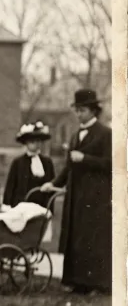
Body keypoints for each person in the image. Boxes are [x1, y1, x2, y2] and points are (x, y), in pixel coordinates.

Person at [41, 88, 112, 294]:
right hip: (76, 195)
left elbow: (112, 163)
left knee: (93, 238)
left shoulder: (105, 134)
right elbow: (68, 166)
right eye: (77, 110)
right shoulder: (74, 136)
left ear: (93, 111)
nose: (79, 114)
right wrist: (54, 183)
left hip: (96, 196)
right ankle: (77, 281)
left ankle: (96, 284)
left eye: (82, 110)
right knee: (77, 237)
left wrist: (86, 159)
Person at [3, 121, 55, 207]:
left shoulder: (47, 163)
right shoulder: (18, 162)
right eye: (32, 141)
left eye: (38, 141)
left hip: (41, 205)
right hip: (21, 205)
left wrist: (50, 207)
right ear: (26, 143)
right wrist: (7, 205)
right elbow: (10, 187)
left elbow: (52, 186)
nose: (35, 144)